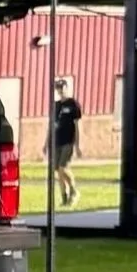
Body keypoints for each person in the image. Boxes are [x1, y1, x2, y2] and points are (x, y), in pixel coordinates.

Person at [50, 75, 83, 207]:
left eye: (62, 87)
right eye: (58, 88)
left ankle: (74, 191)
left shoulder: (73, 104)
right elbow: (51, 125)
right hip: (57, 141)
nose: (60, 90)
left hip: (68, 141)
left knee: (63, 168)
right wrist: (47, 143)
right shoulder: (56, 105)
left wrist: (78, 145)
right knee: (57, 170)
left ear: (67, 88)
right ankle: (64, 198)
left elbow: (77, 125)